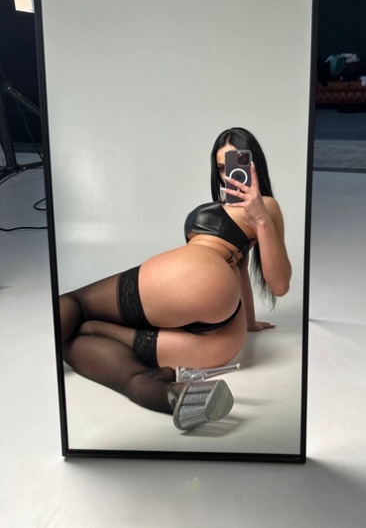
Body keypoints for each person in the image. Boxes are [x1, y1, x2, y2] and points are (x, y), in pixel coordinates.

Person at [59, 127, 291, 431]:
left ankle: (31, 358)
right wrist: (248, 322)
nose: (229, 176)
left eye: (237, 165)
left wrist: (260, 216)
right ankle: (156, 389)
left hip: (199, 277)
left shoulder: (265, 206)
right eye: (222, 168)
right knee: (83, 333)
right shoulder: (232, 208)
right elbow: (242, 268)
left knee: (76, 304)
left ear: (254, 165)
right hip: (224, 336)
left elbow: (279, 285)